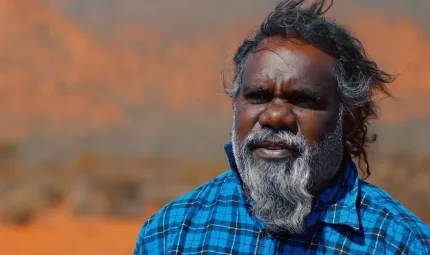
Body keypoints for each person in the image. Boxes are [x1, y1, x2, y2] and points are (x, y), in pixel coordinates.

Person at [134, 0, 430, 254]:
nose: (275, 116)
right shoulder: (171, 235)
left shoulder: (400, 244)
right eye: (258, 96)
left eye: (302, 99)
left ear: (350, 119)